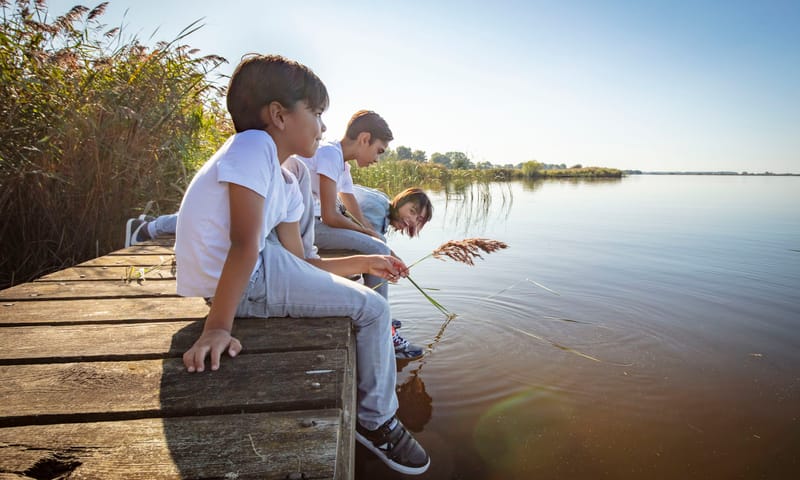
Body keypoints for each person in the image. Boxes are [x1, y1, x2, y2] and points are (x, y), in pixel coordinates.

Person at [174, 54, 429, 475]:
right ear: (278, 116)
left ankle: (377, 407)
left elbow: (301, 263)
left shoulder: (289, 178)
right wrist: (217, 328)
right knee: (374, 309)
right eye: (315, 113)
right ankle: (377, 420)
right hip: (241, 282)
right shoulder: (254, 144)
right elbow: (242, 244)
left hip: (257, 269)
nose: (324, 127)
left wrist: (368, 260)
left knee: (367, 299)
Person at [296, 111, 430, 361]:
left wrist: (374, 235)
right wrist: (371, 240)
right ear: (365, 139)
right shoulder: (329, 154)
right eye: (379, 150)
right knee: (374, 250)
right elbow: (329, 216)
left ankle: (380, 315)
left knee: (376, 246)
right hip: (306, 226)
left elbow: (354, 213)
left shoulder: (342, 164)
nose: (378, 159)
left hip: (313, 224)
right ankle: (386, 331)